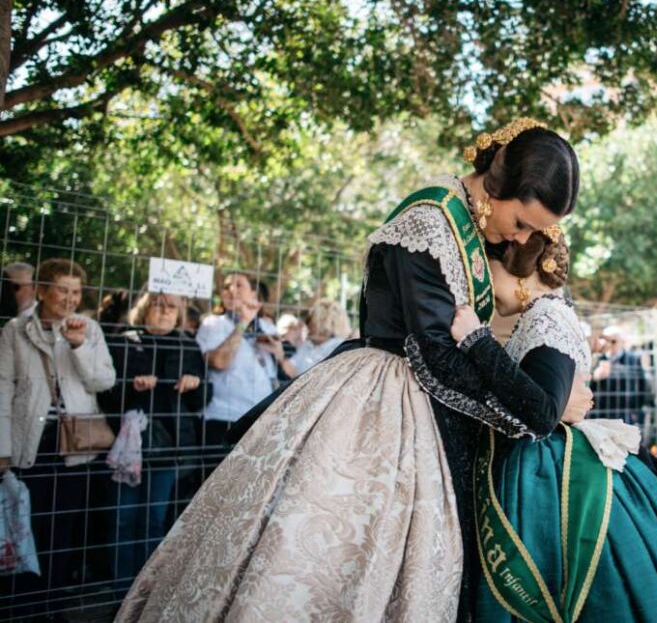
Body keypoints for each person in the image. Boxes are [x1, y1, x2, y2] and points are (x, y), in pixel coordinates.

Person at [116, 118, 585, 622]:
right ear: (496, 187)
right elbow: (436, 356)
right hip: (381, 400)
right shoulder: (429, 222)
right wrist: (518, 409)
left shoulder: (475, 227)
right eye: (521, 223)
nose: (522, 238)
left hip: (428, 409)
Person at [412, 229, 657, 622]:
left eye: (487, 268)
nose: (481, 283)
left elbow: (539, 409)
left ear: (517, 269)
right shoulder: (539, 315)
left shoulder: (547, 315)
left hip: (553, 481)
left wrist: (475, 340)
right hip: (544, 470)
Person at [0, 259, 116, 595]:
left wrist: (79, 346)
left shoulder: (89, 328)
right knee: (25, 525)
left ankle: (51, 604)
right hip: (31, 441)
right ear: (42, 290)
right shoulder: (15, 330)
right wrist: (3, 448)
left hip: (75, 444)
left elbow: (103, 380)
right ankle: (23, 605)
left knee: (64, 529)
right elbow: (3, 389)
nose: (70, 299)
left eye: (76, 292)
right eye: (63, 290)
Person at [101, 290, 207, 584]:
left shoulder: (188, 345)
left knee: (154, 519)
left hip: (169, 446)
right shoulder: (124, 341)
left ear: (180, 312)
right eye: (157, 304)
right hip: (127, 445)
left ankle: (145, 589)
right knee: (122, 517)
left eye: (171, 305)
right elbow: (106, 395)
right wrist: (131, 388)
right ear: (144, 309)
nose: (164, 310)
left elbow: (200, 402)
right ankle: (120, 588)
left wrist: (195, 385)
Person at [194, 272, 278, 448]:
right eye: (226, 287)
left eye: (239, 285)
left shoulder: (268, 327)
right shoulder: (213, 323)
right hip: (224, 419)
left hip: (262, 420)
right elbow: (219, 362)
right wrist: (243, 322)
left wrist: (280, 354)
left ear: (254, 294)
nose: (232, 290)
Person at [591, 325, 654, 427]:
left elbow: (642, 385)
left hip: (626, 413)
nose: (609, 345)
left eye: (613, 341)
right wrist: (595, 377)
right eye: (606, 341)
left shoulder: (632, 360)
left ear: (622, 342)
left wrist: (637, 410)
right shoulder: (596, 360)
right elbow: (588, 387)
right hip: (602, 413)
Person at [270, 300, 350, 378]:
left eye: (311, 320)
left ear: (324, 323)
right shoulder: (307, 345)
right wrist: (280, 354)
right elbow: (293, 371)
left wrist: (280, 356)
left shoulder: (339, 348)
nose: (307, 325)